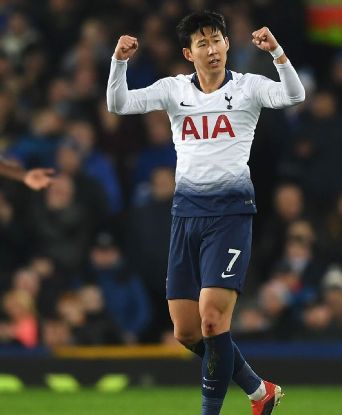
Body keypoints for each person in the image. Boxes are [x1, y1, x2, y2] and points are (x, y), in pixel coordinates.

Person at [106, 11, 305, 415]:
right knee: (185, 330)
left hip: (230, 216)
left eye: (217, 40)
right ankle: (257, 390)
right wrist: (119, 62)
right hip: (185, 217)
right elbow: (119, 103)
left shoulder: (248, 88)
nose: (212, 49)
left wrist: (278, 54)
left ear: (227, 44)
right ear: (188, 52)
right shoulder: (174, 90)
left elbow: (293, 96)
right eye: (202, 43)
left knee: (213, 321)